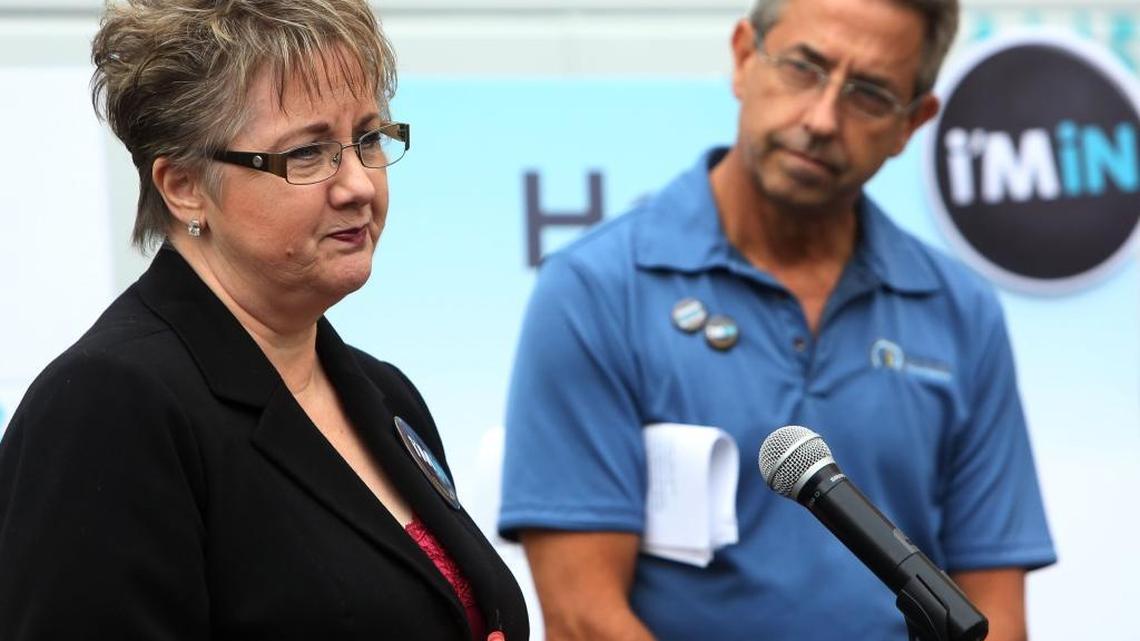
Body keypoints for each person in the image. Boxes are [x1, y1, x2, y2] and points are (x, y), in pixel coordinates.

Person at [498, 0, 1055, 639]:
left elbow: (995, 613)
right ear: (742, 56)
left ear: (913, 123)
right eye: (803, 67)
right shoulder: (597, 288)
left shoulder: (960, 310)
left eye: (869, 94)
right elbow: (583, 618)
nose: (821, 118)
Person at [0, 1, 526, 640]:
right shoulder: (110, 405)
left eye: (367, 138)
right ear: (184, 185)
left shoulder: (385, 393)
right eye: (307, 153)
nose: (358, 184)